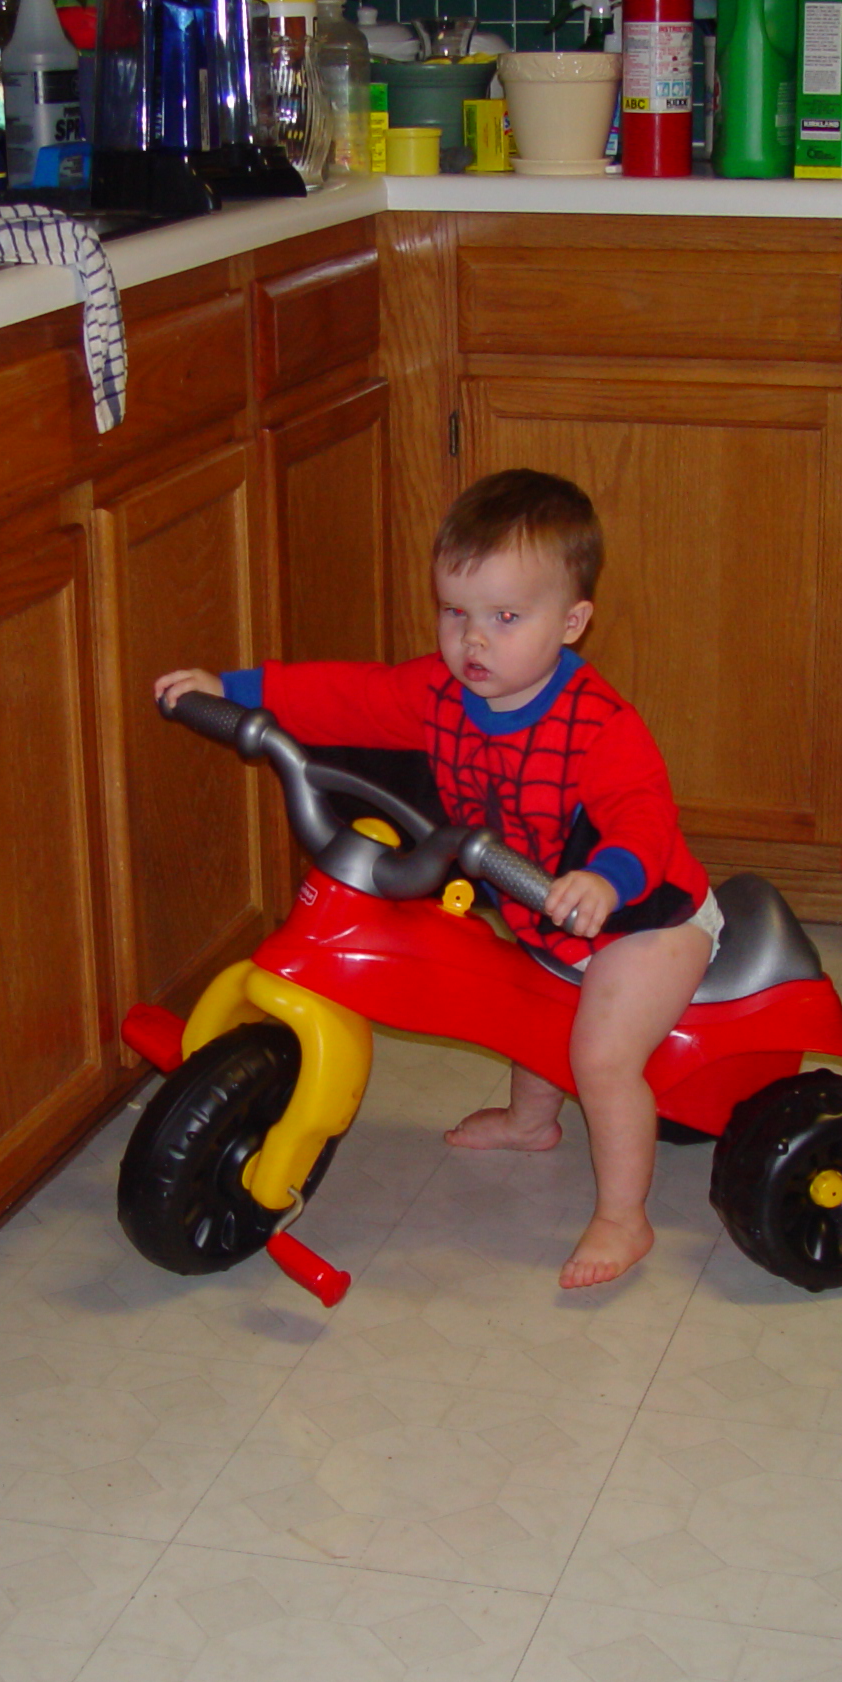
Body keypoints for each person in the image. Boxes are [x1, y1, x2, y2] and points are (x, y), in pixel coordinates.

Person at [153, 468, 721, 1288]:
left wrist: (605, 878)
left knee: (597, 1054)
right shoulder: (439, 693)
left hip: (647, 920)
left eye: (505, 617)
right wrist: (233, 689)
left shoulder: (601, 727)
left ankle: (624, 1217)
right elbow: (349, 696)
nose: (473, 641)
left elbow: (642, 814)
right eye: (456, 613)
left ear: (573, 622)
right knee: (534, 1005)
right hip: (542, 907)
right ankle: (534, 1124)